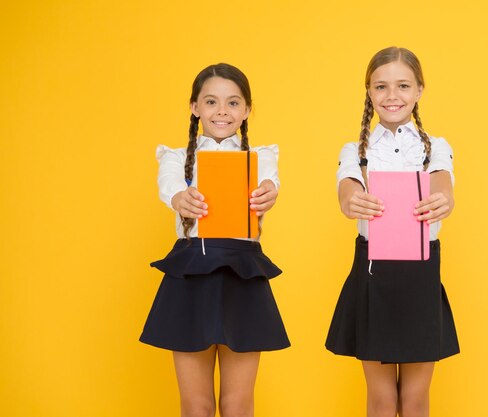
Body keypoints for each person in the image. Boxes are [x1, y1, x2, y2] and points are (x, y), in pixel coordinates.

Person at [140, 63, 289, 417]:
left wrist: (268, 191)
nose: (222, 111)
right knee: (197, 406)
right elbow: (171, 188)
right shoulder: (177, 158)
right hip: (192, 273)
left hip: (243, 273)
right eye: (211, 101)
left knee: (238, 405)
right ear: (194, 107)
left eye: (233, 102)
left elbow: (270, 182)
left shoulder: (261, 157)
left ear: (248, 109)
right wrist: (181, 199)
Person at [326, 47, 460, 417]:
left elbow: (443, 185)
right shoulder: (355, 150)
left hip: (420, 272)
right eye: (381, 86)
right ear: (368, 92)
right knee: (382, 400)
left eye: (403, 85)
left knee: (415, 400)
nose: (392, 95)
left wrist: (443, 200)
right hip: (373, 273)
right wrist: (352, 199)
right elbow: (347, 189)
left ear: (419, 90)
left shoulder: (437, 147)